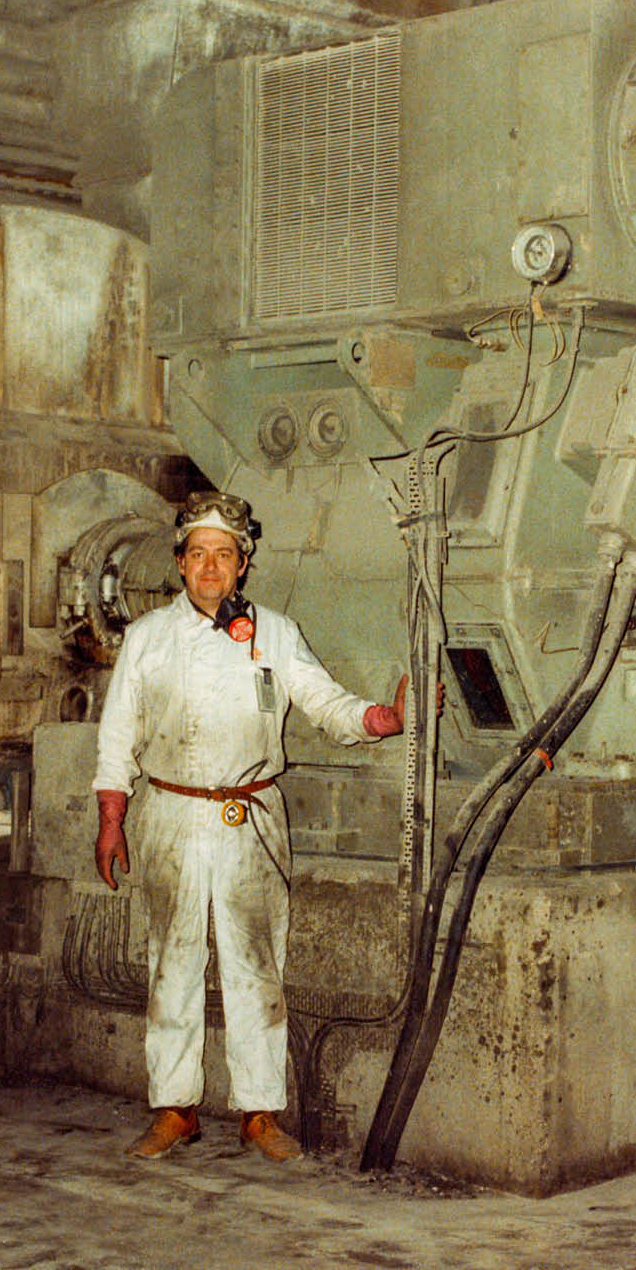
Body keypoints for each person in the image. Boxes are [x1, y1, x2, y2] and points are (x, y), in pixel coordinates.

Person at [92, 489, 408, 1161]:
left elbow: (324, 701)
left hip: (251, 815)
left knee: (256, 965)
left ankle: (259, 1113)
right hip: (172, 811)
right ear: (179, 563)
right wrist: (111, 817)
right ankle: (174, 1108)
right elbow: (117, 733)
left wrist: (380, 719)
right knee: (171, 962)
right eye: (198, 555)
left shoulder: (275, 633)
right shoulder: (148, 638)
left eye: (224, 556)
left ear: (243, 566)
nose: (211, 568)